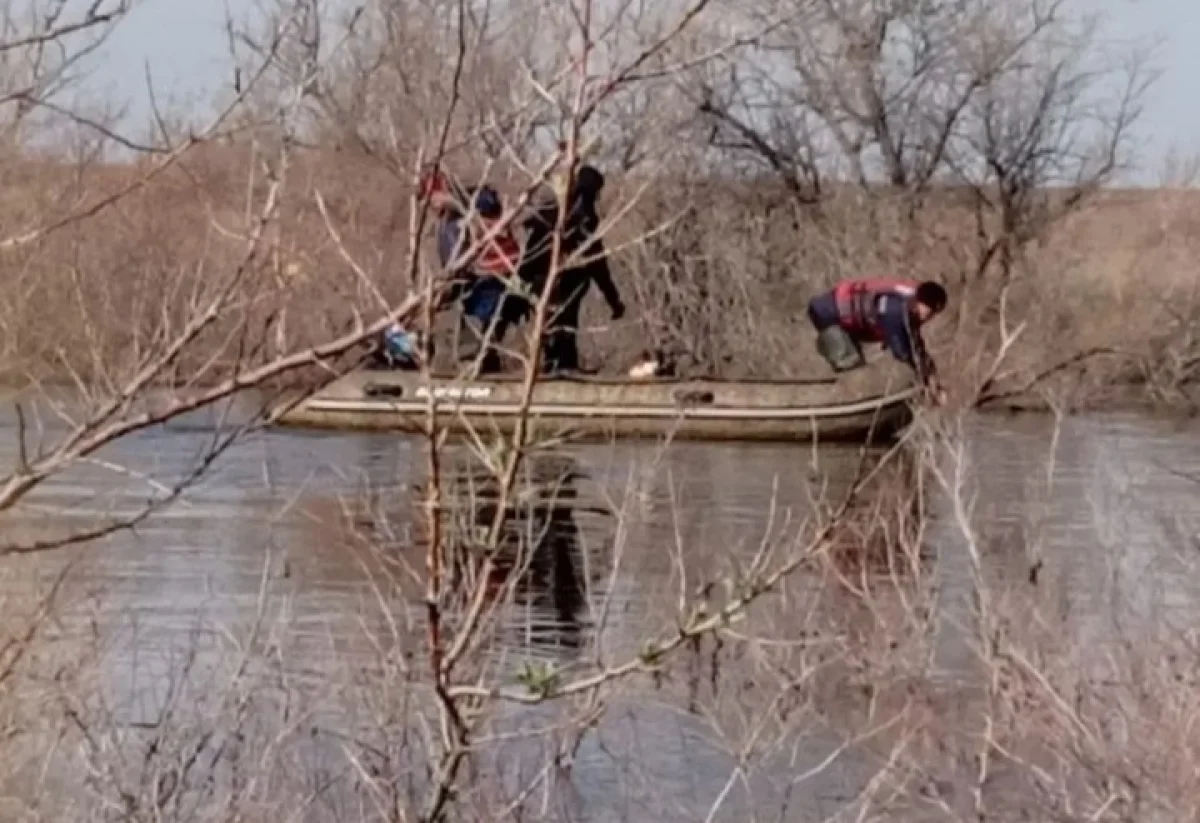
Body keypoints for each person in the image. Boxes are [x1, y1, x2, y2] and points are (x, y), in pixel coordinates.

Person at [518, 164, 625, 375]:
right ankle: (561, 364)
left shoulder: (553, 210)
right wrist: (612, 298)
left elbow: (531, 249)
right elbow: (597, 261)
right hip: (563, 277)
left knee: (553, 321)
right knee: (563, 321)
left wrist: (523, 278)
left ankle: (554, 363)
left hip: (544, 277)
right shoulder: (583, 216)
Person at [420, 167, 527, 375]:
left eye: (432, 198)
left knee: (477, 323)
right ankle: (485, 368)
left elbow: (462, 258)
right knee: (479, 328)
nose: (431, 205)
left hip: (495, 277)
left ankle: (476, 368)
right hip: (479, 279)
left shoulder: (466, 213)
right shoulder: (447, 222)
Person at [806, 277, 947, 402]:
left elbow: (915, 344)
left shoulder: (909, 304)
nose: (930, 318)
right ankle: (840, 403)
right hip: (827, 315)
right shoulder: (895, 309)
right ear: (920, 302)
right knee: (850, 365)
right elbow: (902, 350)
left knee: (856, 364)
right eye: (930, 312)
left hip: (842, 320)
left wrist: (930, 372)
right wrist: (925, 376)